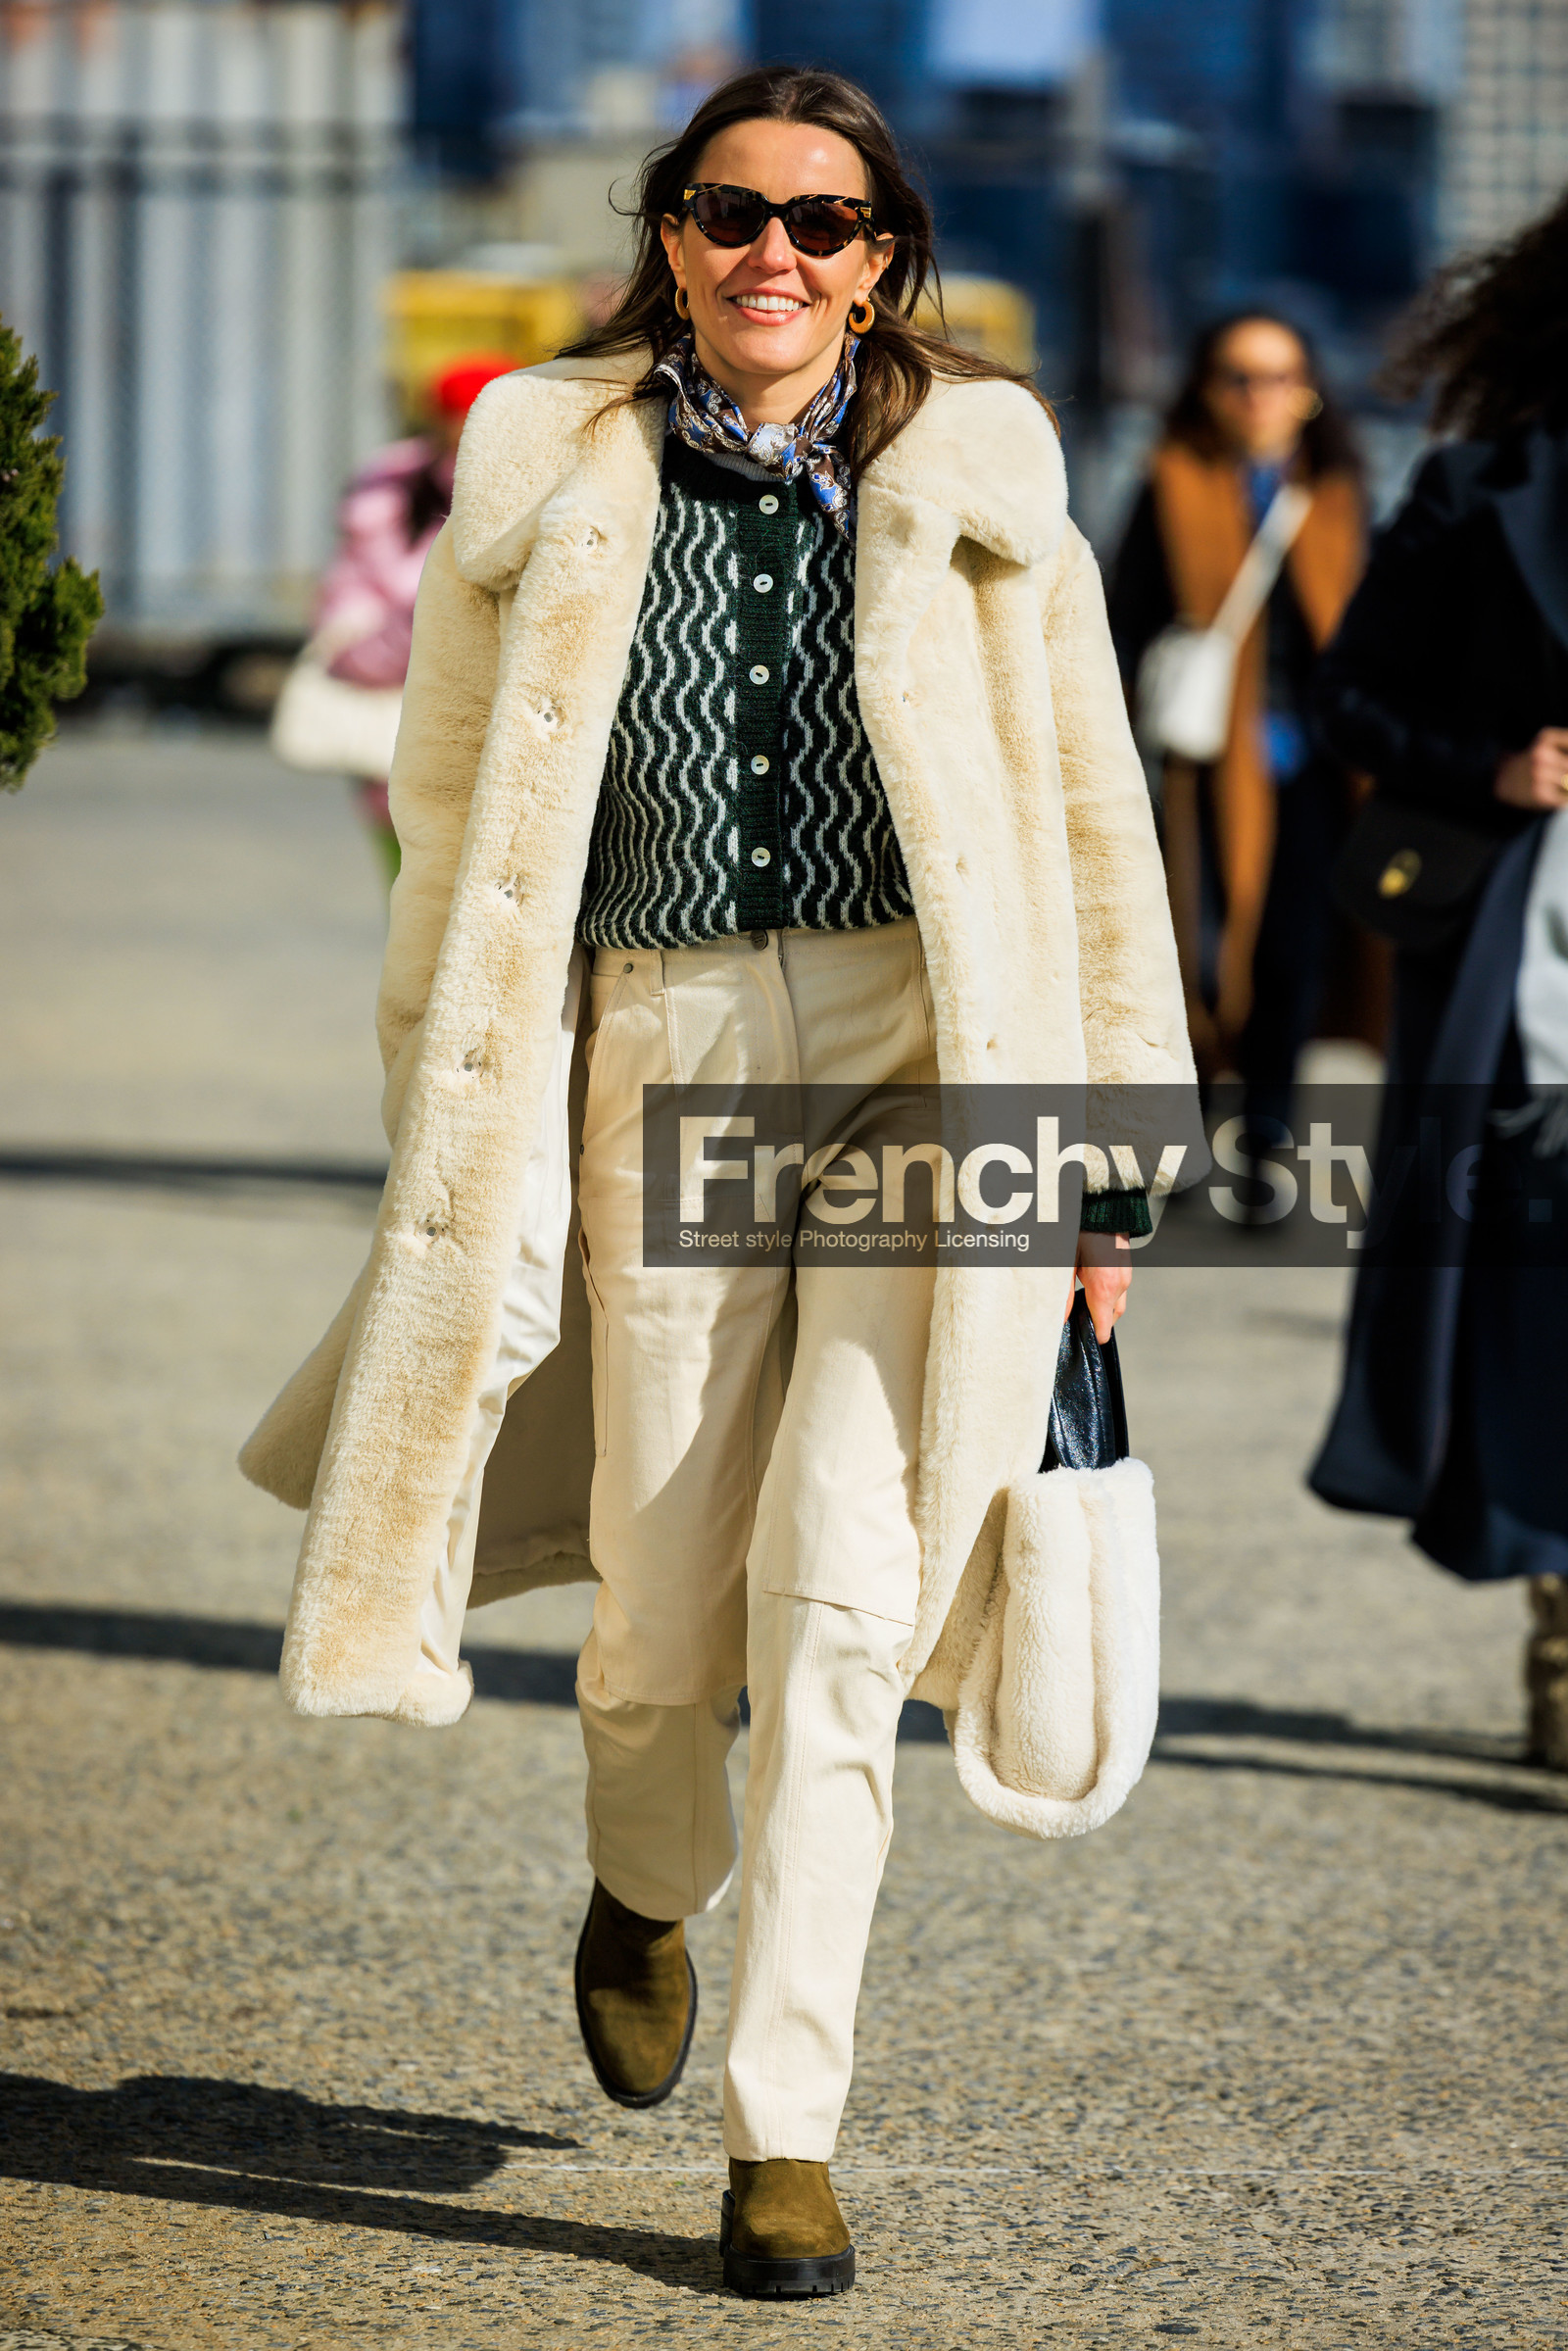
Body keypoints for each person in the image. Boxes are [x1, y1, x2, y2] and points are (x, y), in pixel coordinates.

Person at [239, 67, 1194, 2295]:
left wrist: (1110, 1169)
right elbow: (453, 824)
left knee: (846, 1600)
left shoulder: (986, 491)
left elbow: (1087, 830)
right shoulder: (543, 483)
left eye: (827, 223)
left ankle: (789, 2126)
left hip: (916, 1056)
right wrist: (451, 1119)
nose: (779, 253)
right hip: (659, 1043)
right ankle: (645, 1876)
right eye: (734, 211)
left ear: (885, 263)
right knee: (664, 1598)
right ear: (668, 236)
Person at [1307, 191, 1568, 1768]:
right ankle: (1561, 1622)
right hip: (1526, 962)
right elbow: (1351, 697)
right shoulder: (1481, 489)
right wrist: (1498, 762)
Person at [1107, 315, 1366, 1137]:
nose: (1263, 397)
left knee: (1293, 952)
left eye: (1282, 377)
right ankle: (1183, 1116)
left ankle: (1267, 1129)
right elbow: (1124, 624)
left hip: (1312, 767)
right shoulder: (1169, 483)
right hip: (1198, 766)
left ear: (1311, 393)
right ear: (1207, 389)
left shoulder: (1336, 496)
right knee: (1189, 947)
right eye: (1241, 377)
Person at [312, 353, 517, 881]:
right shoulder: (392, 482)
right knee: (412, 883)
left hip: (495, 712)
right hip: (393, 701)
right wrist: (386, 644)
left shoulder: (529, 486)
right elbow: (349, 595)